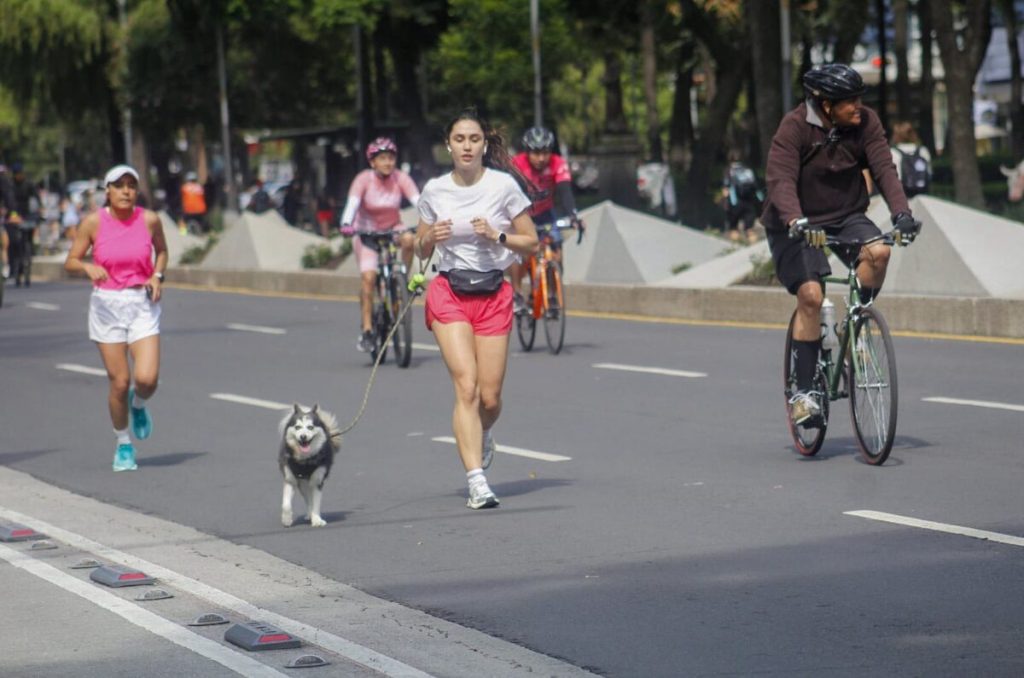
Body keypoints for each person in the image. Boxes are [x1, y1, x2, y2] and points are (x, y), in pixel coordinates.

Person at [761, 63, 920, 426]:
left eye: (859, 98)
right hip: (795, 221)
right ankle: (804, 394)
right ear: (826, 104)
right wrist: (794, 220)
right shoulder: (795, 127)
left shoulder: (867, 123)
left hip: (846, 214)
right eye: (849, 101)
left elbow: (884, 169)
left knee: (879, 252)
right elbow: (780, 179)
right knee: (812, 297)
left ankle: (854, 325)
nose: (857, 107)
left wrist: (901, 214)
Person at [414, 108, 538, 509]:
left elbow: (531, 242)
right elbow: (419, 247)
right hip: (449, 290)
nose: (467, 146)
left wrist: (497, 234)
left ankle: (481, 435)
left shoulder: (503, 187)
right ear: (448, 144)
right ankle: (476, 480)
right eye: (459, 139)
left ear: (484, 144)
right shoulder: (434, 191)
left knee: (489, 398)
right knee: (465, 386)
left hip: (493, 294)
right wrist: (429, 235)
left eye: (474, 139)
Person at [64, 165, 168, 472]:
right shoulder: (93, 223)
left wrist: (157, 275)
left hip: (141, 303)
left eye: (131, 185)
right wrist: (86, 267)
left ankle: (139, 405)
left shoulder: (149, 219)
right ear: (107, 190)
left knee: (147, 379)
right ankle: (123, 443)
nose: (126, 191)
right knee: (120, 382)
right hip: (107, 305)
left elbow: (162, 251)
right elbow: (71, 259)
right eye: (119, 185)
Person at [339, 137, 421, 353]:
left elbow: (418, 200)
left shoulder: (400, 178)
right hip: (366, 232)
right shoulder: (363, 180)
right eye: (382, 159)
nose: (388, 163)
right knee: (368, 279)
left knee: (409, 239)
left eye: (391, 158)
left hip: (392, 227)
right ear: (372, 162)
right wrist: (347, 223)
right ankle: (367, 330)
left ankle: (402, 276)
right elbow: (352, 205)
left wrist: (431, 218)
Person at [509, 126, 583, 312]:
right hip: (522, 213)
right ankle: (517, 293)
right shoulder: (517, 164)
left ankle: (551, 293)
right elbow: (511, 195)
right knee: (520, 254)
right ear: (527, 151)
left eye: (545, 152)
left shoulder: (558, 163)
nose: (541, 158)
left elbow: (565, 191)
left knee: (556, 253)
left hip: (545, 213)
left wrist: (573, 216)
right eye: (536, 153)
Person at [721, 156, 763, 242]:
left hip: (735, 204)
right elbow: (756, 187)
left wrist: (725, 203)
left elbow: (726, 189)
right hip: (749, 203)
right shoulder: (748, 170)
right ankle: (754, 251)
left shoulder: (729, 170)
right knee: (749, 229)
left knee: (733, 229)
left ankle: (735, 249)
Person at [889, 121, 931, 198]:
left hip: (901, 192)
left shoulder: (893, 152)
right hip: (922, 190)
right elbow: (929, 172)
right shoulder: (923, 150)